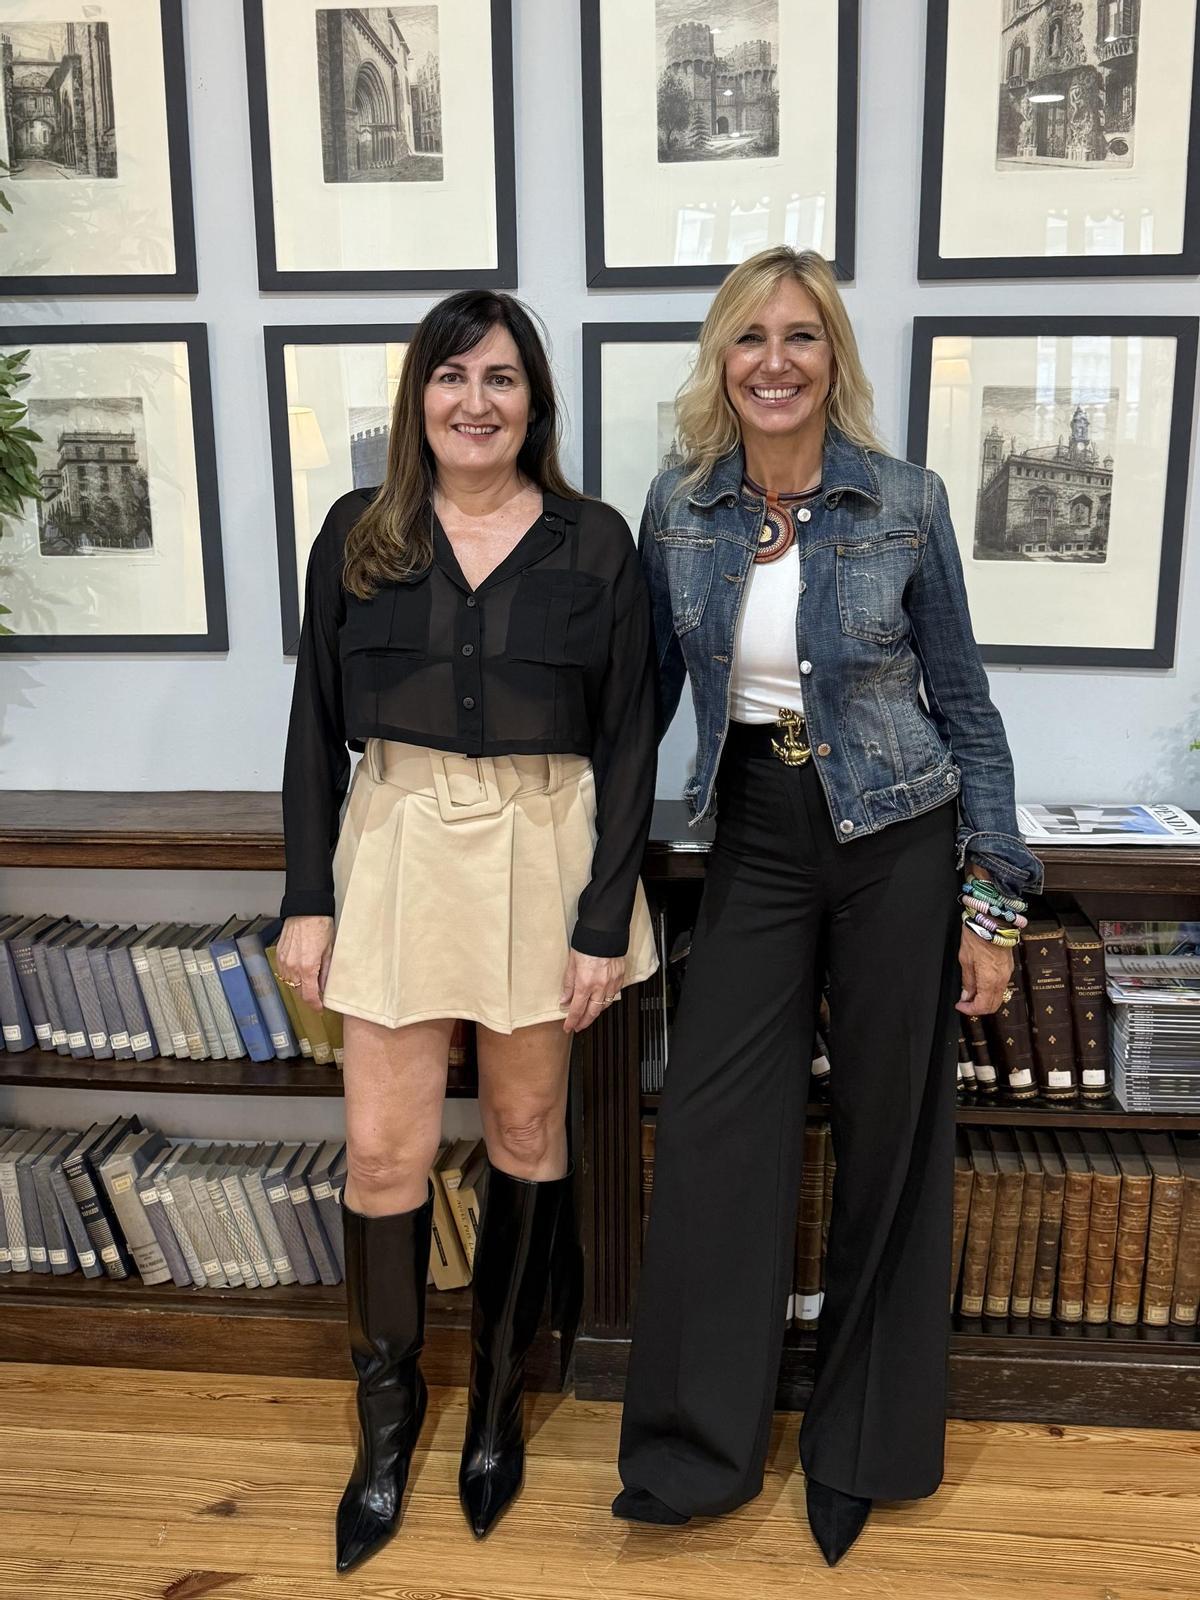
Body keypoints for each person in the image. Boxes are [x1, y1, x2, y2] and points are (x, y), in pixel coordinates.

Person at [613, 247, 1043, 1566]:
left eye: (802, 337)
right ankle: (695, 1454)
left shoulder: (903, 502)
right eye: (752, 338)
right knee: (711, 1138)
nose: (777, 361)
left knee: (889, 1133)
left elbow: (966, 710)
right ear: (722, 359)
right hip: (752, 826)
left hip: (897, 838)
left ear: (834, 357)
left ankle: (863, 1447)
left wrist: (994, 902)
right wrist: (585, 876)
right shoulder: (677, 508)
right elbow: (635, 709)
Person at [276, 290, 659, 1572]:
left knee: (524, 1131)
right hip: (390, 845)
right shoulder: (359, 534)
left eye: (500, 378)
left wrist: (603, 920)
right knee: (384, 1155)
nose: (475, 401)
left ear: (534, 402)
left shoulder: (596, 544)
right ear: (418, 401)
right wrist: (307, 897)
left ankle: (498, 1401)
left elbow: (628, 743)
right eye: (451, 378)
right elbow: (312, 730)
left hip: (544, 851)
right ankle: (386, 1425)